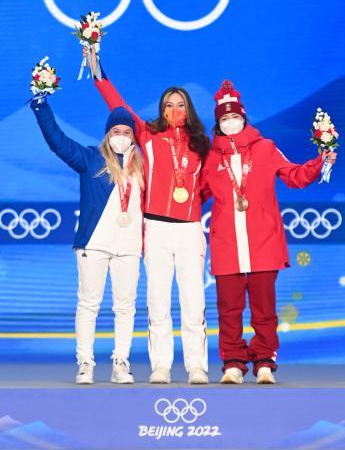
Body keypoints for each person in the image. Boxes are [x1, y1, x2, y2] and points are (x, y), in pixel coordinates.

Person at [201, 80, 337, 385]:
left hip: (263, 242)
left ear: (244, 118)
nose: (230, 122)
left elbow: (295, 176)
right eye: (225, 118)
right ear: (218, 123)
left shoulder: (266, 148)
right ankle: (233, 363)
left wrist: (321, 160)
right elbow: (195, 194)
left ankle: (264, 360)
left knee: (264, 308)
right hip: (227, 245)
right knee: (229, 309)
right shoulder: (211, 158)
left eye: (235, 117)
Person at [92, 65, 211, 384]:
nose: (175, 110)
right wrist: (97, 71)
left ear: (189, 109)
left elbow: (208, 185)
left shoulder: (201, 144)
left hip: (189, 229)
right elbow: (118, 105)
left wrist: (191, 202)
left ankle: (196, 365)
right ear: (161, 109)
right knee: (157, 300)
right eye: (169, 105)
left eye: (181, 104)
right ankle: (161, 365)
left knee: (193, 300)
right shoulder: (148, 134)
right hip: (156, 228)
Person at [30, 87, 144, 384]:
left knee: (125, 307)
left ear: (134, 136)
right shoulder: (90, 158)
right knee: (88, 305)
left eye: (126, 132)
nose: (121, 136)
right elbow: (58, 142)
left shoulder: (144, 166)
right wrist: (41, 106)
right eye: (116, 131)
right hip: (93, 245)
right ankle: (85, 363)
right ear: (107, 135)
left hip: (130, 246)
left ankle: (121, 362)